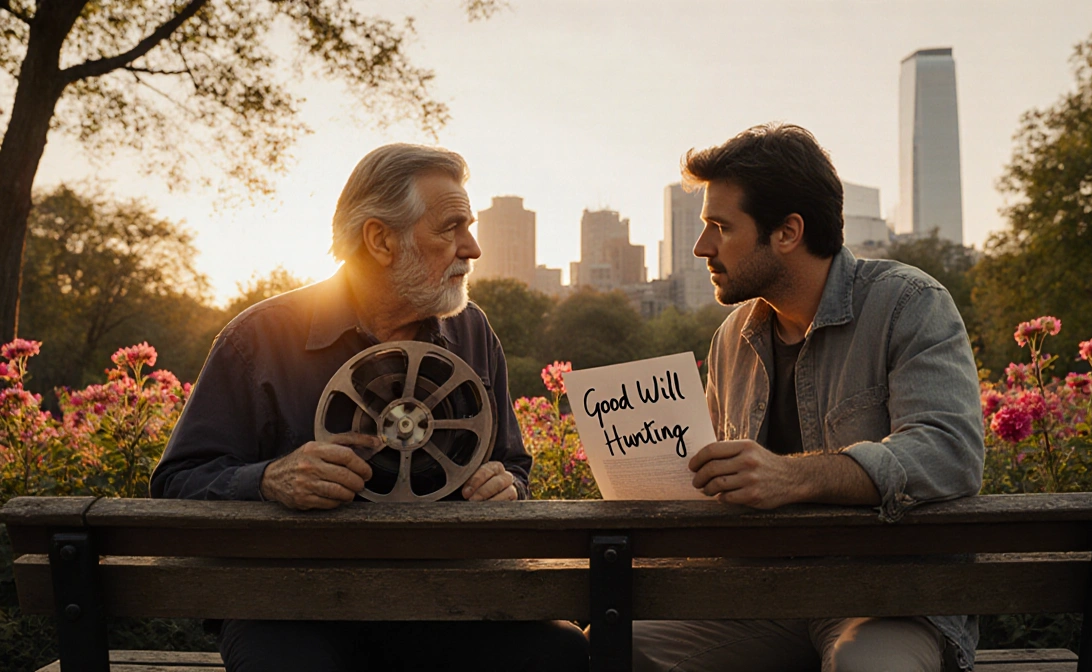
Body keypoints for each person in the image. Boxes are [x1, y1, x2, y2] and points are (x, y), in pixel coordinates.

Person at [150, 143, 589, 672]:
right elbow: (178, 480)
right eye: (450, 228)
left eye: (468, 227)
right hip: (289, 608)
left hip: (445, 605)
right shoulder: (260, 338)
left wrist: (507, 485)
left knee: (561, 653)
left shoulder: (472, 332)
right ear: (381, 240)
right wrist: (270, 480)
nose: (472, 248)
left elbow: (512, 464)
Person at [632, 123, 985, 672]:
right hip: (758, 599)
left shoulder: (909, 303)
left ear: (788, 232)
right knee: (609, 646)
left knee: (865, 667)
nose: (702, 247)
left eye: (720, 227)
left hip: (886, 599)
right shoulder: (732, 338)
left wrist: (793, 477)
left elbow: (948, 452)